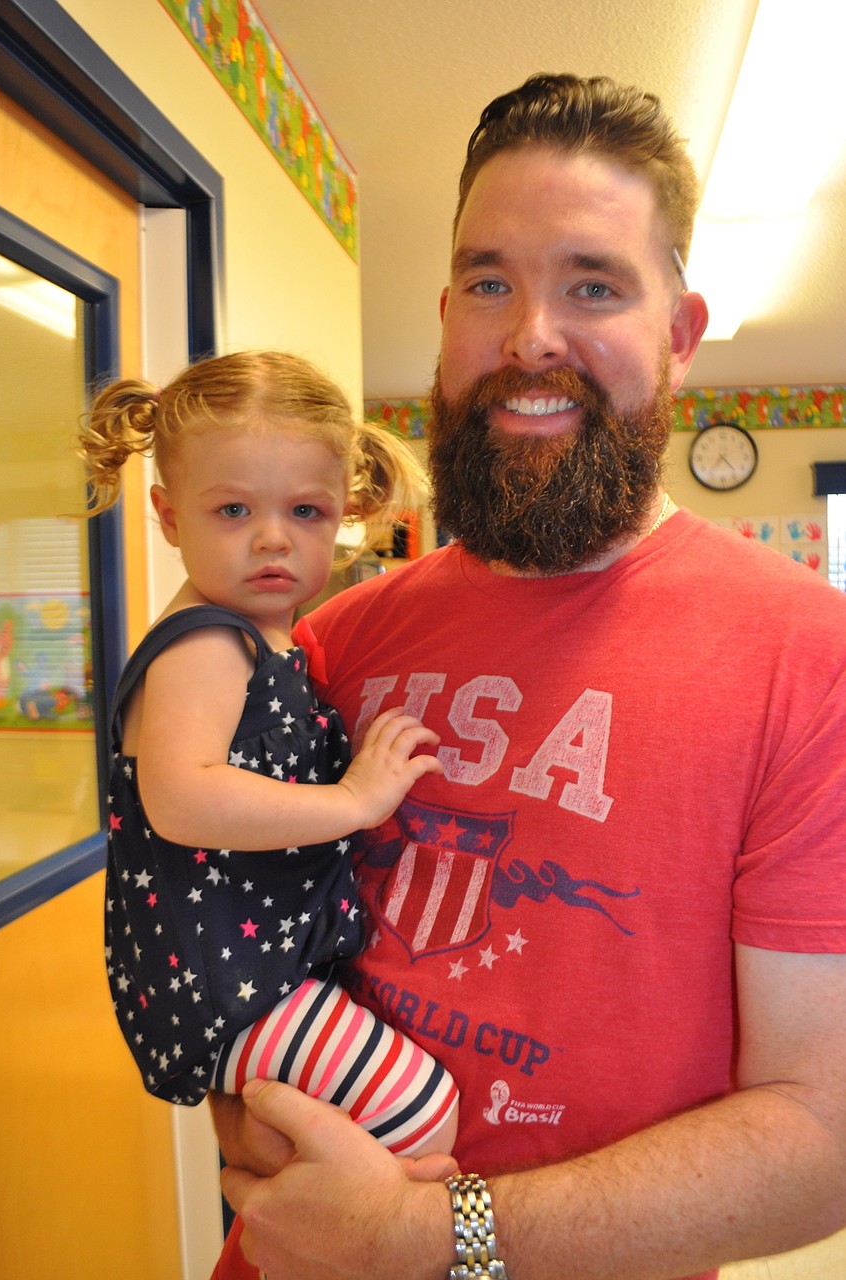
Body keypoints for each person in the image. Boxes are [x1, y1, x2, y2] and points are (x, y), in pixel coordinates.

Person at [212, 75, 846, 1280]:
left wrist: (425, 1238)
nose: (529, 337)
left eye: (592, 285)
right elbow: (233, 941)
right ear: (445, 311)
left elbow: (820, 1136)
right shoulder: (328, 642)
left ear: (679, 331)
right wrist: (242, 1117)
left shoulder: (811, 661)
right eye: (489, 283)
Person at [80, 350, 458, 1156]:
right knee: (420, 1112)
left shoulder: (268, 639)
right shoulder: (207, 643)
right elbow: (182, 798)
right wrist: (355, 800)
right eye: (233, 510)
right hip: (228, 985)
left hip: (262, 967)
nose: (273, 539)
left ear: (343, 513)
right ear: (168, 515)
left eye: (307, 512)